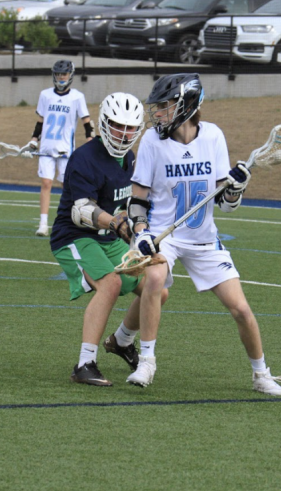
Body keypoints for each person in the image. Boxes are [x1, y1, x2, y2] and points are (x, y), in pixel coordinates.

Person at [124, 72, 281, 396]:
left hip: (203, 238)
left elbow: (225, 205)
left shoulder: (212, 137)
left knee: (240, 309)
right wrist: (140, 233)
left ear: (185, 106)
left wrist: (235, 189)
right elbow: (138, 200)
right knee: (154, 280)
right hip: (163, 234)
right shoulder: (153, 143)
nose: (157, 113)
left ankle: (261, 374)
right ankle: (147, 360)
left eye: (165, 106)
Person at [50, 92, 168, 386]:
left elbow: (128, 206)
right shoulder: (84, 158)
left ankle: (122, 340)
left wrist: (136, 233)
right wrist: (117, 224)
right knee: (111, 284)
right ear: (103, 123)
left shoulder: (128, 158)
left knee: (158, 289)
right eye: (118, 125)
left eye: (130, 128)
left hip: (108, 237)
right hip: (75, 236)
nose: (124, 133)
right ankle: (85, 363)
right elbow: (81, 210)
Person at [23, 60, 94, 237]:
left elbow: (86, 122)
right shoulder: (45, 95)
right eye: (59, 74)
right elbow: (40, 122)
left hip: (65, 150)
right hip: (46, 148)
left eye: (65, 74)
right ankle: (43, 223)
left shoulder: (77, 97)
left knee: (66, 186)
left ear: (70, 75)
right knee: (46, 183)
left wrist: (91, 140)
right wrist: (33, 141)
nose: (62, 77)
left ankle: (68, 221)